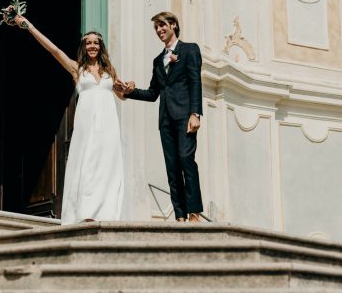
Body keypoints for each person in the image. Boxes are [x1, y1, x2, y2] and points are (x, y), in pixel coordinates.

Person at [13, 15, 124, 224]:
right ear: (84, 46)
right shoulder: (77, 69)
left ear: (101, 46)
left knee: (107, 166)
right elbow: (53, 50)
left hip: (108, 127)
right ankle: (87, 213)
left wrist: (129, 86)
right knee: (88, 165)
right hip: (87, 126)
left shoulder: (109, 71)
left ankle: (106, 213)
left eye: (96, 43)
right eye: (88, 43)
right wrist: (29, 25)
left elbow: (121, 94)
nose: (92, 46)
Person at [119, 12, 204, 222]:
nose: (159, 30)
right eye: (156, 28)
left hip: (185, 116)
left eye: (162, 25)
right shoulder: (158, 61)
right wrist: (128, 91)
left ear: (173, 25)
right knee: (172, 167)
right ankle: (180, 216)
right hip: (165, 120)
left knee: (186, 159)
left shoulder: (190, 49)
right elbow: (152, 93)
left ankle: (194, 212)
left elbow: (195, 82)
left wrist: (195, 113)